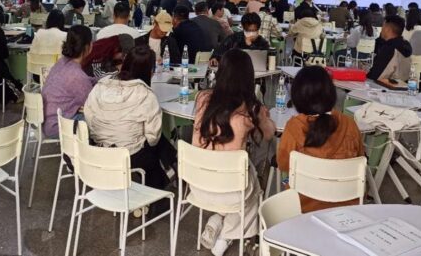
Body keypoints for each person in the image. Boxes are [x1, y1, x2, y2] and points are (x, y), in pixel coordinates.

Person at [191, 49, 275, 256]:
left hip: (197, 183)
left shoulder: (203, 98)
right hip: (230, 190)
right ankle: (226, 236)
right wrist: (264, 117)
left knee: (242, 175)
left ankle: (218, 218)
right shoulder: (250, 110)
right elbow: (269, 134)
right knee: (254, 192)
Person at [84, 46, 176, 196]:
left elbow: (88, 116)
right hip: (129, 155)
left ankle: (171, 167)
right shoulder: (146, 95)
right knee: (155, 145)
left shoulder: (101, 85)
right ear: (150, 71)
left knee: (156, 143)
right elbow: (152, 137)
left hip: (99, 150)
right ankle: (162, 186)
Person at [277, 66, 365, 213]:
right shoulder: (349, 124)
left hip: (303, 209)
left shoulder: (294, 127)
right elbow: (360, 159)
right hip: (348, 208)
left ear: (297, 97)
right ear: (331, 93)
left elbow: (284, 164)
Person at [41, 26, 95, 137]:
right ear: (88, 47)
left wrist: (99, 80)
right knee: (98, 120)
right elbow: (92, 103)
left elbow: (81, 82)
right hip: (56, 126)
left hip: (45, 120)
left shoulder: (62, 62)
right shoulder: (77, 76)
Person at [367, 15, 413, 81]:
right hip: (401, 84)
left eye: (383, 26)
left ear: (387, 29)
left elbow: (375, 75)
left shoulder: (389, 48)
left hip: (382, 85)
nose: (381, 30)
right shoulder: (405, 45)